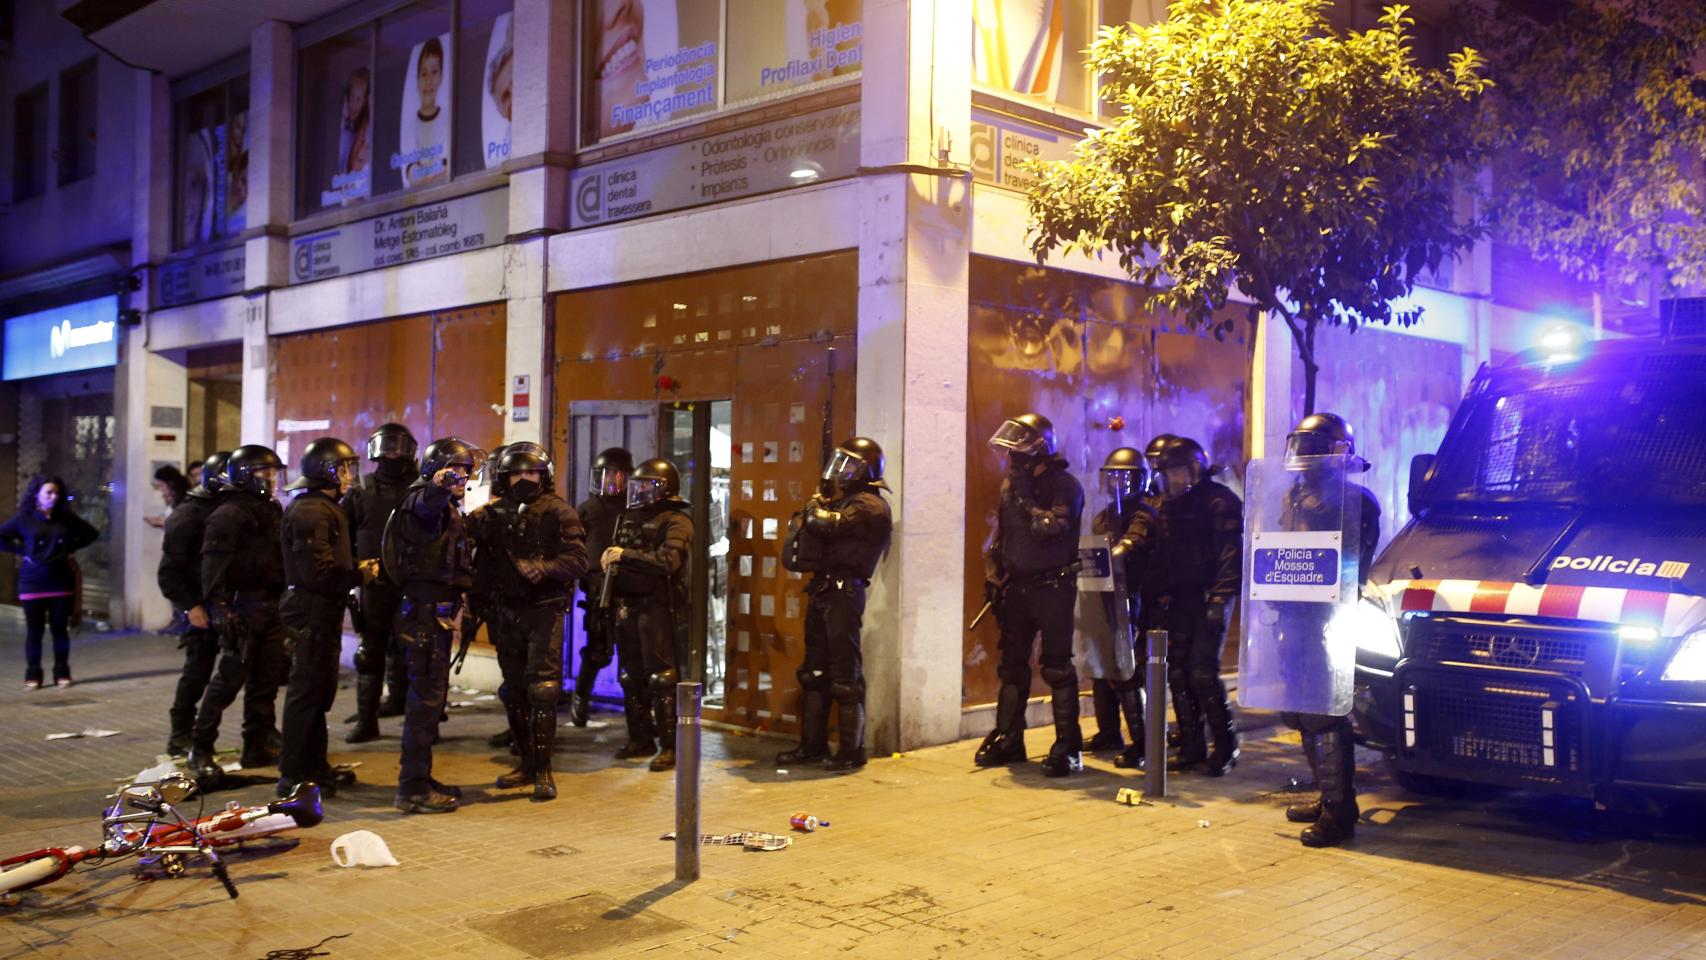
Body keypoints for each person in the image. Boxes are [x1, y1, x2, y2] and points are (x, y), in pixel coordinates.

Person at [1276, 413, 1382, 848]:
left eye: (1312, 446)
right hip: (1295, 615)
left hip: (1329, 618)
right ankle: (1326, 796)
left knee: (1325, 713)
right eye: (1299, 446)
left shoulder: (1355, 500)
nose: (1303, 456)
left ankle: (1340, 812)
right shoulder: (1292, 498)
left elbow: (1351, 564)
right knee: (1301, 710)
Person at [470, 445, 588, 800]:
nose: (523, 479)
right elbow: (479, 563)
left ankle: (543, 770)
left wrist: (544, 568)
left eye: (531, 473)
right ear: (504, 478)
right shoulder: (491, 514)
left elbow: (579, 561)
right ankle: (525, 763)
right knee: (513, 691)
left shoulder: (559, 512)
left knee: (544, 690)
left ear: (543, 476)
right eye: (516, 474)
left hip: (544, 611)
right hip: (505, 611)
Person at [976, 413, 1086, 777]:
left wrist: (1025, 497)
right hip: (1018, 587)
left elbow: (1048, 529)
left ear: (1038, 449)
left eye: (1018, 450)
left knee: (1056, 667)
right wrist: (994, 576)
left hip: (1053, 585)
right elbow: (1002, 536)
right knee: (1012, 665)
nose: (1012, 458)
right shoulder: (1011, 486)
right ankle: (1009, 738)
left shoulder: (1064, 486)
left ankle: (1068, 747)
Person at [775, 437, 892, 772]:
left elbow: (823, 524)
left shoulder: (870, 505)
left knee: (845, 675)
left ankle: (851, 751)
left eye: (851, 464)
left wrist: (813, 506)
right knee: (814, 673)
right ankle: (811, 746)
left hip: (845, 593)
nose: (842, 472)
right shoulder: (847, 501)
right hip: (824, 589)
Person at [385, 437, 482, 814]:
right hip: (424, 616)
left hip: (433, 615)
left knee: (430, 703)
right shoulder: (422, 500)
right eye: (455, 471)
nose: (462, 478)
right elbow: (427, 507)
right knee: (424, 704)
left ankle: (420, 778)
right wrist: (438, 486)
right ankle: (412, 788)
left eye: (466, 472)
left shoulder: (447, 507)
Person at [187, 445, 289, 783]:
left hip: (270, 607)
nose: (272, 480)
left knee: (266, 681)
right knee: (227, 683)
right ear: (246, 475)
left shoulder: (270, 509)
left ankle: (256, 743)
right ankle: (200, 748)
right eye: (265, 474)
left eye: (274, 474)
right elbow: (212, 567)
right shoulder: (227, 514)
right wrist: (219, 609)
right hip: (242, 608)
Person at [277, 438, 365, 799]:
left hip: (322, 611)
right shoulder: (311, 511)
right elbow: (319, 573)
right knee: (306, 693)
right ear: (327, 470)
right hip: (310, 611)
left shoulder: (325, 507)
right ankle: (294, 776)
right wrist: (360, 574)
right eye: (344, 468)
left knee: (319, 693)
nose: (349, 476)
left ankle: (315, 768)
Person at [1154, 436, 1243, 777]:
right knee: (1177, 672)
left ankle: (1226, 746)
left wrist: (1221, 598)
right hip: (1180, 597)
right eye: (1167, 474)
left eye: (1177, 472)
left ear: (1193, 469)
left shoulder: (1219, 501)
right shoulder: (1169, 506)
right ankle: (1192, 746)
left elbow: (1229, 555)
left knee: (1203, 673)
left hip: (1210, 595)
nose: (1172, 480)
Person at [603, 457, 693, 772]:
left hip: (657, 606)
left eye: (647, 486)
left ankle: (670, 746)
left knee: (661, 677)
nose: (639, 492)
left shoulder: (676, 520)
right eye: (637, 486)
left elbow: (668, 561)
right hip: (627, 604)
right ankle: (640, 737)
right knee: (630, 675)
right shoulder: (630, 518)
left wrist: (626, 555)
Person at [343, 423, 419, 743]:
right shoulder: (361, 491)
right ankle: (367, 720)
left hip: (414, 584)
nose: (391, 454)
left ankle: (419, 724)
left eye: (396, 447)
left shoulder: (420, 489)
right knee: (371, 652)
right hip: (374, 585)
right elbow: (344, 534)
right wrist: (350, 575)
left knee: (417, 654)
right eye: (386, 448)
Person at [1088, 448, 1159, 770]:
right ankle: (1108, 731)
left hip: (1135, 597)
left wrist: (1119, 551)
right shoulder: (1104, 516)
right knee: (1102, 666)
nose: (1118, 483)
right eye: (1113, 477)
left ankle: (1142, 743)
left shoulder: (1143, 513)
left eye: (1125, 477)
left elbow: (1135, 541)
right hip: (1103, 596)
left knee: (1128, 670)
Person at [160, 451, 230, 756]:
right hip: (200, 606)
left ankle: (201, 734)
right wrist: (191, 607)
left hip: (228, 604)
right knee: (197, 672)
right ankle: (180, 734)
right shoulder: (188, 515)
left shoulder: (232, 509)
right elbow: (170, 572)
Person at [1, 476, 99, 689]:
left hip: (60, 581)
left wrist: (70, 548)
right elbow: (2, 537)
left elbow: (91, 533)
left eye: (56, 493)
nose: (53, 497)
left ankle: (62, 672)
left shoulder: (66, 518)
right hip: (33, 581)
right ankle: (33, 673)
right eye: (48, 493)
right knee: (34, 631)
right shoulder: (24, 519)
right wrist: (22, 550)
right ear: (37, 494)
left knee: (59, 630)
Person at [572, 447, 633, 727]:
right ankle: (580, 697)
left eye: (617, 477)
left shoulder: (634, 509)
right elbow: (573, 547)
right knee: (597, 650)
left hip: (627, 589)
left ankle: (638, 714)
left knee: (631, 655)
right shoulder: (588, 509)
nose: (611, 482)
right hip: (597, 589)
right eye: (606, 476)